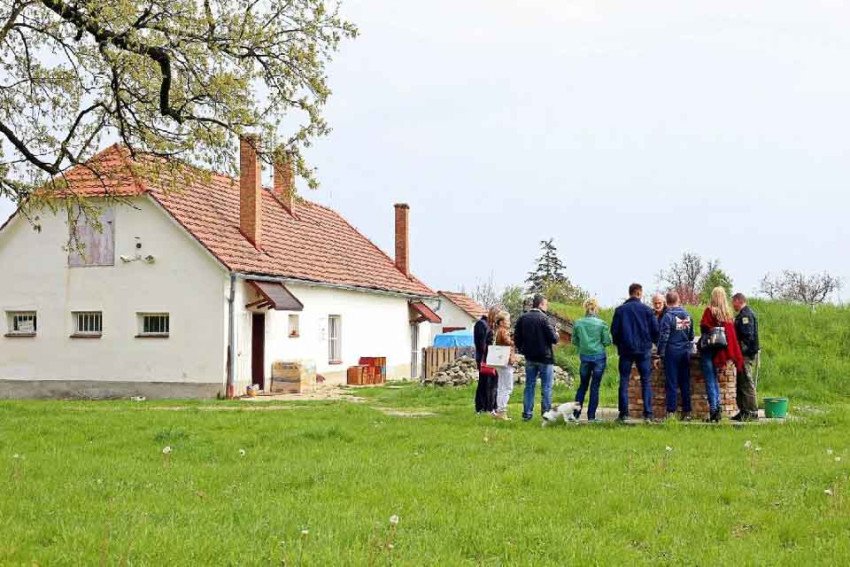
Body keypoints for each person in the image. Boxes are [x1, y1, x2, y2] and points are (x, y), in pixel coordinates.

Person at [611, 283, 659, 422]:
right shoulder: (647, 310)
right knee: (646, 381)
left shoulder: (620, 310)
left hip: (626, 350)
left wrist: (619, 343)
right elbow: (655, 331)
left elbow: (614, 331)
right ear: (639, 293)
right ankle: (648, 414)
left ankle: (624, 414)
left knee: (624, 381)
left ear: (630, 293)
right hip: (644, 350)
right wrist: (652, 343)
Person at [699, 287, 744, 423]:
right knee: (715, 381)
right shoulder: (727, 314)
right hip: (720, 352)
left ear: (713, 297)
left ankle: (714, 411)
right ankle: (717, 409)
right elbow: (731, 337)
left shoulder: (709, 311)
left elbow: (703, 328)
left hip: (708, 351)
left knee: (710, 381)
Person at [514, 294, 559, 421]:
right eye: (546, 304)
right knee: (546, 387)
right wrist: (557, 334)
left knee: (529, 386)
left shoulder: (522, 318)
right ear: (540, 304)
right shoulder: (545, 319)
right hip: (545, 358)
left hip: (530, 357)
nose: (547, 306)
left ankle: (527, 414)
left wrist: (523, 350)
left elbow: (516, 338)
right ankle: (546, 415)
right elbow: (554, 339)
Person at [571, 298, 612, 422]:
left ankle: (576, 415)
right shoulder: (602, 324)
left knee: (582, 386)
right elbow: (606, 341)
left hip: (585, 357)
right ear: (596, 308)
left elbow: (574, 341)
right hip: (599, 357)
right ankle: (591, 417)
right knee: (595, 386)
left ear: (586, 308)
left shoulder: (578, 323)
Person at [657, 291, 695, 420]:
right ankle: (687, 412)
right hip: (685, 352)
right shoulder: (688, 315)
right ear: (678, 300)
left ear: (666, 302)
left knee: (672, 383)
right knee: (685, 382)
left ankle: (671, 412)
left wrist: (660, 355)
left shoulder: (667, 317)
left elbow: (664, 338)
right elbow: (691, 336)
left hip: (671, 353)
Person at [732, 293, 760, 421]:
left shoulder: (746, 316)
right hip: (742, 354)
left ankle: (752, 412)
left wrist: (740, 352)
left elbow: (747, 337)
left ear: (738, 301)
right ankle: (743, 411)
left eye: (733, 302)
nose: (732, 305)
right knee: (741, 382)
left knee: (747, 382)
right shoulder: (743, 314)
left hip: (746, 355)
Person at [492, 311, 517, 420]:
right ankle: (502, 411)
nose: (509, 323)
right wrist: (515, 338)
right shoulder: (503, 331)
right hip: (506, 361)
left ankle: (499, 410)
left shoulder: (498, 331)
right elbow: (509, 343)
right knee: (507, 387)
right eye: (507, 320)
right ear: (501, 322)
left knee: (501, 386)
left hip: (500, 361)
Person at [473, 308, 498, 414]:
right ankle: (482, 407)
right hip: (485, 359)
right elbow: (481, 344)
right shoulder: (481, 324)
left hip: (491, 358)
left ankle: (491, 406)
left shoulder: (490, 326)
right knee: (485, 383)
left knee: (492, 383)